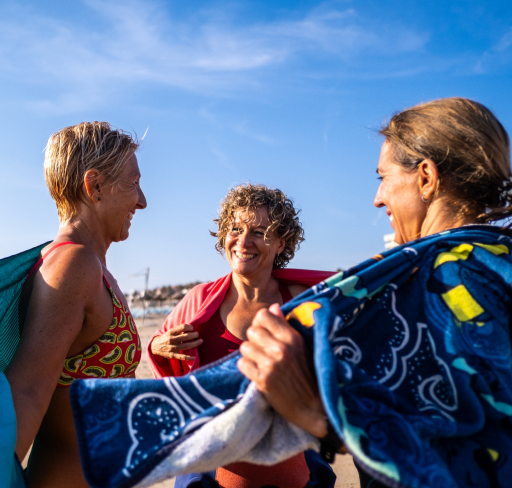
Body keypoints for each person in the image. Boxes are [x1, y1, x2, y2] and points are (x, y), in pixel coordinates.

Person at [238, 98, 512, 488]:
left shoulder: (438, 277)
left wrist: (317, 415)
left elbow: (461, 450)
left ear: (426, 177)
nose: (377, 197)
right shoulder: (498, 259)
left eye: (383, 177)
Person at [147, 184, 336, 488]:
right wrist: (158, 346)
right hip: (209, 477)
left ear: (280, 243)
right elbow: (163, 361)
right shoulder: (199, 301)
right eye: (235, 228)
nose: (243, 241)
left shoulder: (302, 300)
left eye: (260, 232)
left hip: (294, 472)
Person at [4, 122, 147, 487]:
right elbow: (28, 391)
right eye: (133, 183)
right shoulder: (73, 266)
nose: (142, 200)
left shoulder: (92, 267)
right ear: (95, 186)